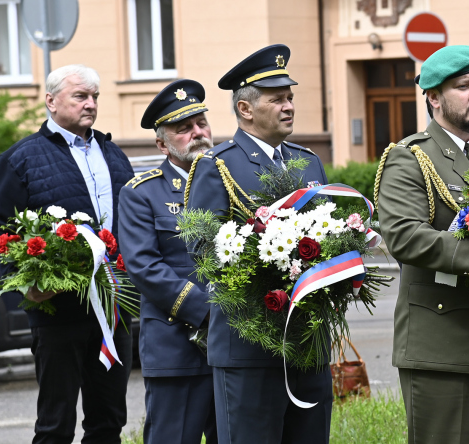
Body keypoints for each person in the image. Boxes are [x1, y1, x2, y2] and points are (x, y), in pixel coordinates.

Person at [184, 44, 332, 444]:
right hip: (249, 344)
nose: (288, 106)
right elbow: (200, 249)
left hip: (308, 339)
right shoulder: (218, 165)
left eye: (290, 97)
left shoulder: (309, 161)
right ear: (246, 109)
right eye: (277, 99)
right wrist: (268, 260)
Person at [373, 45, 469, 444]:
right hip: (442, 346)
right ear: (433, 98)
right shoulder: (410, 157)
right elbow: (404, 235)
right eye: (463, 86)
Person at [0, 64, 135, 444]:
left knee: (109, 420)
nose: (91, 104)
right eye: (81, 96)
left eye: (95, 97)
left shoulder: (113, 153)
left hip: (112, 306)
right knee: (55, 424)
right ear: (51, 102)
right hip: (58, 309)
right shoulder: (19, 158)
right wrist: (30, 283)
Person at [118, 79, 217, 444]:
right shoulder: (142, 193)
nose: (198, 133)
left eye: (201, 123)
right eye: (184, 128)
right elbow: (144, 266)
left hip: (238, 345)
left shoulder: (234, 183)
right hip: (178, 347)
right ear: (162, 143)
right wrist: (208, 311)